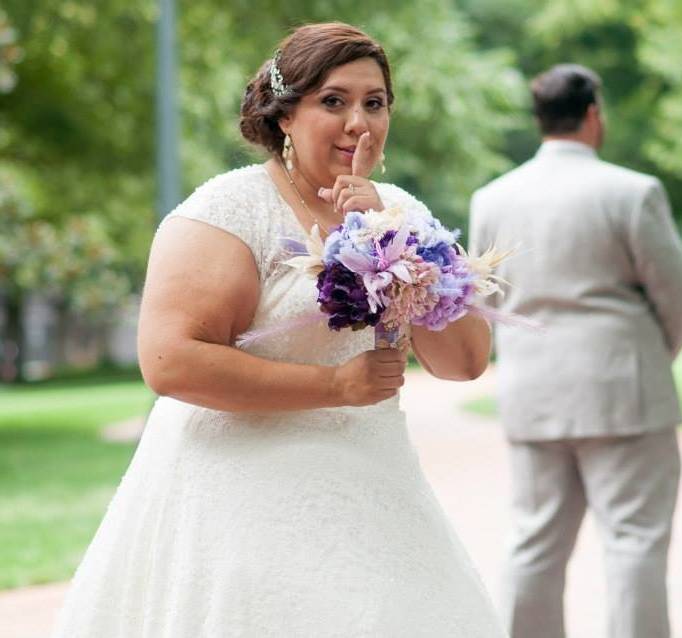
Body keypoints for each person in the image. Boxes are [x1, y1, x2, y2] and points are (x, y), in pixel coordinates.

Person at [52, 23, 506, 637]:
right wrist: (336, 386)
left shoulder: (399, 211)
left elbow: (465, 361)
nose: (358, 122)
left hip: (373, 489)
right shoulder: (226, 212)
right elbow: (170, 362)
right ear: (285, 114)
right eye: (334, 101)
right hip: (240, 494)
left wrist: (394, 232)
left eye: (375, 103)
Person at [469, 64, 682, 638]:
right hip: (625, 384)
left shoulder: (491, 199)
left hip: (531, 388)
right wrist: (652, 353)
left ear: (540, 117)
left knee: (533, 542)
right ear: (594, 114)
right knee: (633, 541)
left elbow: (483, 298)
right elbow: (677, 291)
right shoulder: (632, 191)